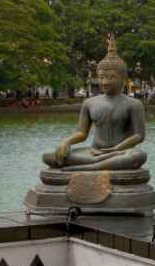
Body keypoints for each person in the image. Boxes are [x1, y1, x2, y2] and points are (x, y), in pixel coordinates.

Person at [42, 37, 148, 172]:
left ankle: (91, 167)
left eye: (110, 77)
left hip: (119, 152)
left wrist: (116, 149)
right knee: (50, 156)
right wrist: (67, 142)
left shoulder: (133, 104)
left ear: (123, 79)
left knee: (139, 155)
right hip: (94, 152)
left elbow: (139, 136)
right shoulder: (89, 103)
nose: (104, 82)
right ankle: (98, 164)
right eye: (101, 77)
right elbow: (82, 133)